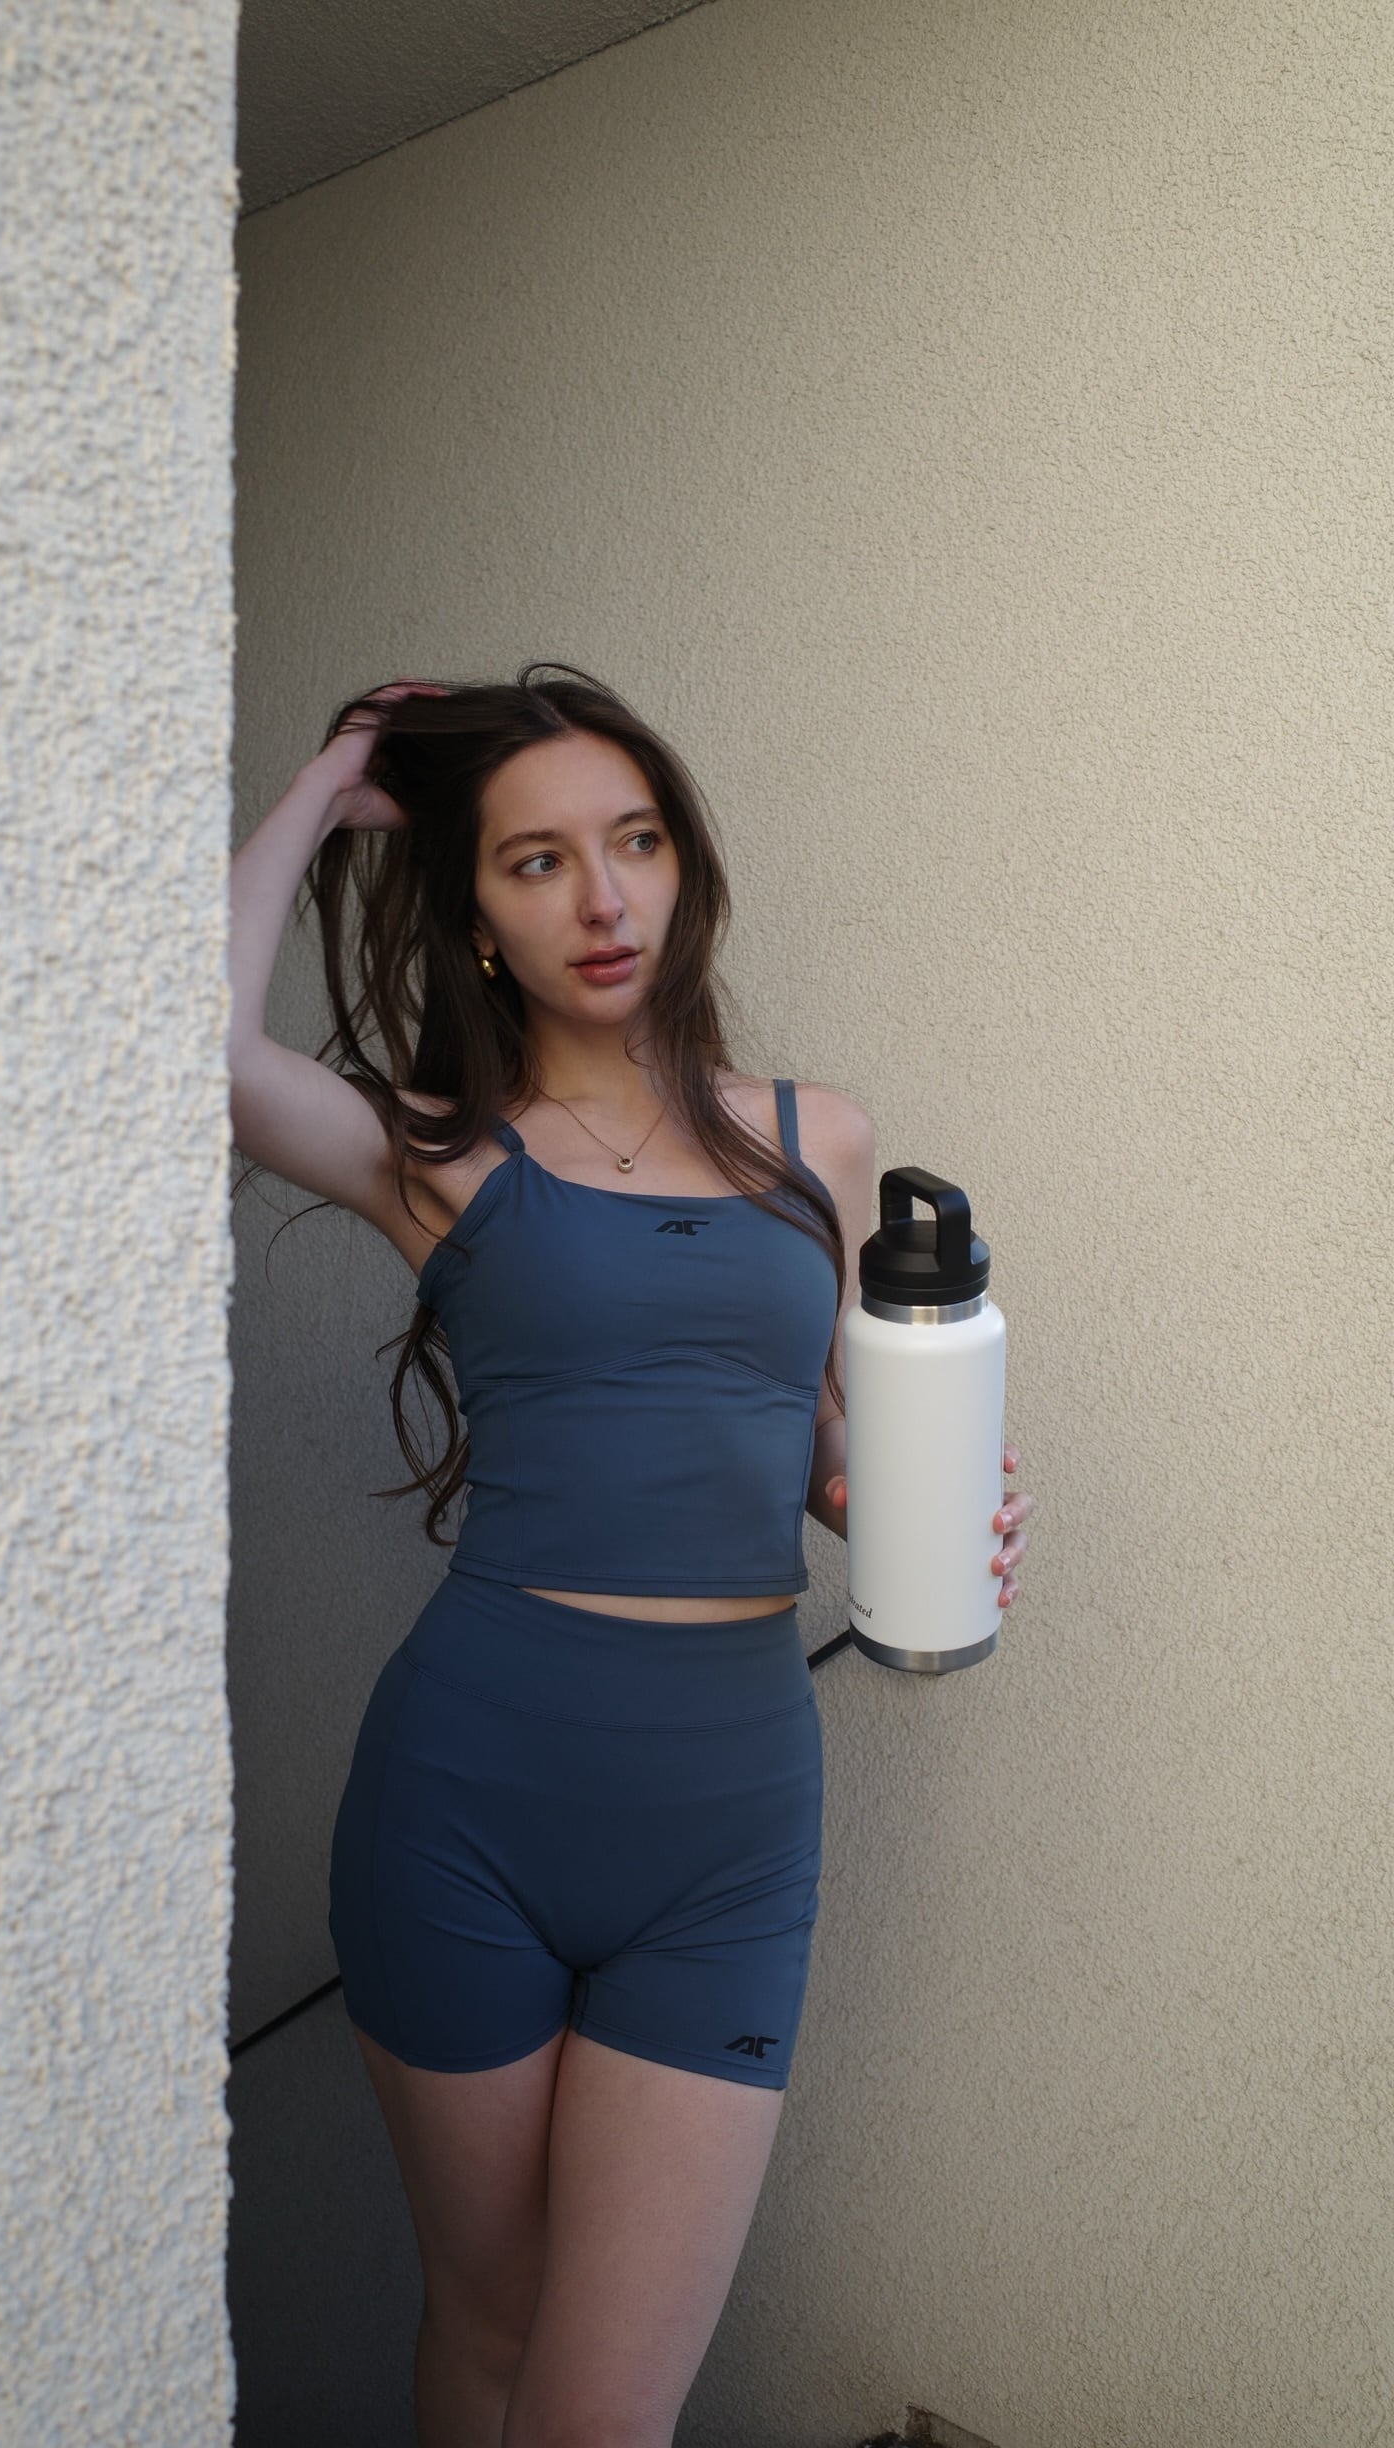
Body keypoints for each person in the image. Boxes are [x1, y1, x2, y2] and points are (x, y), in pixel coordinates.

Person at [227, 663, 1031, 2448]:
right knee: (489, 2326)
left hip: (727, 1827)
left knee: (603, 2413)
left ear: (685, 868)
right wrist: (330, 788)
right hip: (468, 1798)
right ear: (477, 916)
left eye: (636, 842)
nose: (601, 898)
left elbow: (823, 1446)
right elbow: (193, 1053)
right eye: (536, 862)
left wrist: (912, 1508)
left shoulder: (818, 1139)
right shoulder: (439, 1155)